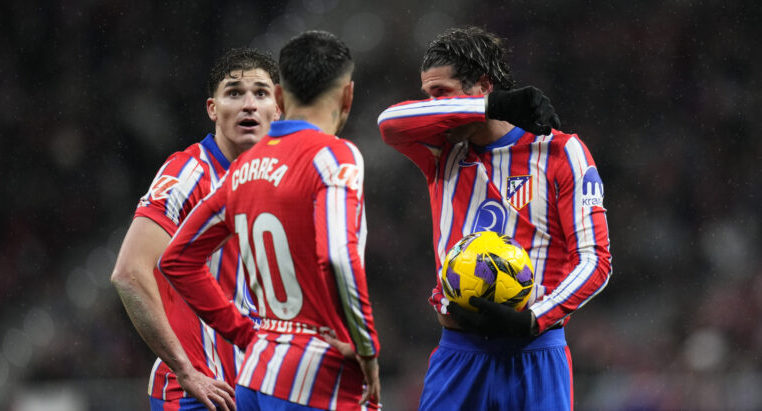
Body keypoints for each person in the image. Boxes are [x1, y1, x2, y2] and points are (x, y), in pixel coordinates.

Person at [377, 26, 612, 410]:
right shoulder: (441, 151)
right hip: (459, 353)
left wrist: (534, 319)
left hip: (536, 351)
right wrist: (490, 107)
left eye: (442, 94)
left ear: (483, 85)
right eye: (428, 97)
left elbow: (595, 261)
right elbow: (388, 123)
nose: (434, 107)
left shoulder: (561, 151)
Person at [157, 30, 381, 410]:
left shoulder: (244, 169)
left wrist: (244, 333)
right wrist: (367, 346)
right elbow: (339, 257)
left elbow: (176, 260)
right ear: (348, 96)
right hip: (319, 372)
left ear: (278, 98)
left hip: (257, 373)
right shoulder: (335, 156)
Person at [111, 47, 281, 411]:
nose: (249, 104)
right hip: (199, 396)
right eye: (234, 92)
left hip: (255, 391)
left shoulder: (276, 181)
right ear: (212, 108)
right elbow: (129, 274)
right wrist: (186, 371)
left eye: (261, 93)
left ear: (277, 109)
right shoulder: (187, 175)